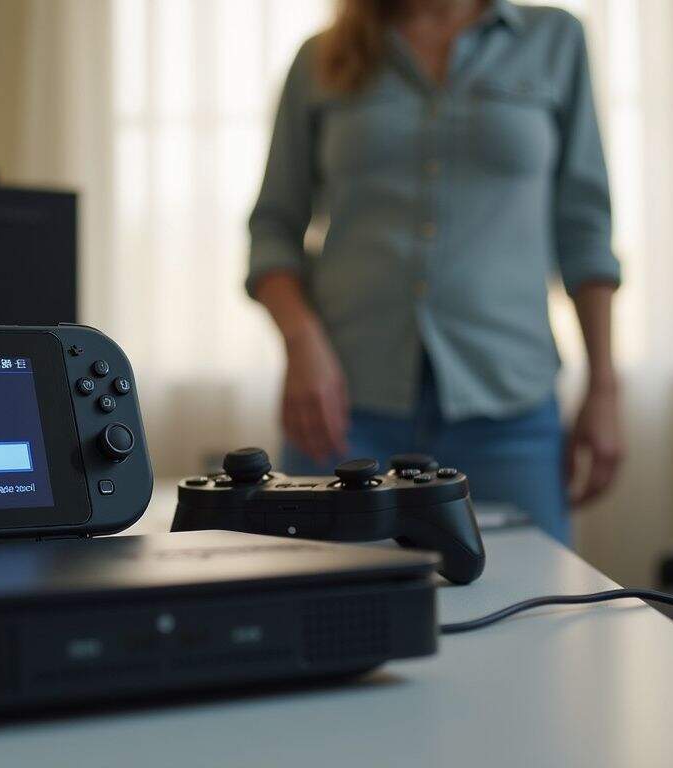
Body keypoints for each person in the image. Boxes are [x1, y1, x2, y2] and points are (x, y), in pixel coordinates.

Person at [247, 0, 621, 543]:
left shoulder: (555, 40)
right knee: (329, 612)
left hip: (507, 406)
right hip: (341, 408)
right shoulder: (320, 58)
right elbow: (273, 227)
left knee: (529, 608)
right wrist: (300, 341)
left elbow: (585, 228)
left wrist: (605, 386)